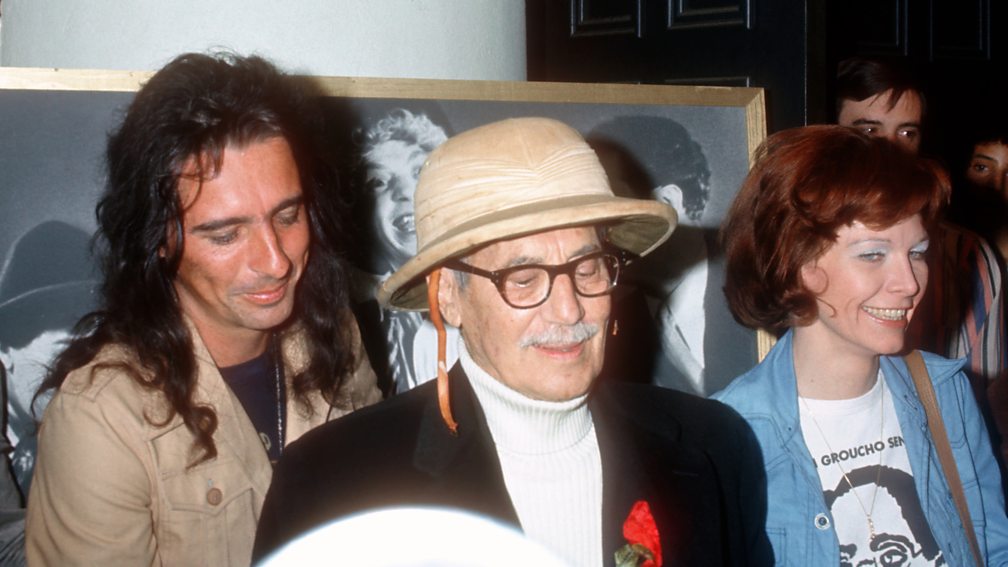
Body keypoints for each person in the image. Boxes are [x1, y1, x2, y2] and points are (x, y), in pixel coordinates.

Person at [253, 117, 772, 566]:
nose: (569, 309)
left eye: (588, 269)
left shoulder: (713, 447)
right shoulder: (332, 485)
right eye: (523, 280)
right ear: (449, 298)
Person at [25, 52, 381, 566]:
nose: (275, 261)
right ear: (159, 240)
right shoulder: (101, 420)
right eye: (225, 234)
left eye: (288, 215)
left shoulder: (335, 331)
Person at [714, 125, 1008, 565]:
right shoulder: (732, 437)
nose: (909, 284)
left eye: (917, 252)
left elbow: (994, 548)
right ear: (796, 264)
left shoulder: (945, 392)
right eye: (873, 254)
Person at [836, 57, 1006, 401]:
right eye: (868, 131)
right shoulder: (802, 241)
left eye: (906, 133)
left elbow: (980, 398)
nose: (890, 150)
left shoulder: (968, 255)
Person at [588, 115, 755, 395]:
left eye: (609, 210)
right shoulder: (603, 315)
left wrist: (683, 361)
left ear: (668, 203)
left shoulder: (761, 284)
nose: (595, 232)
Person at [349, 108, 457, 394]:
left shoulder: (486, 297)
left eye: (418, 171)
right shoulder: (346, 315)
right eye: (379, 182)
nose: (403, 191)